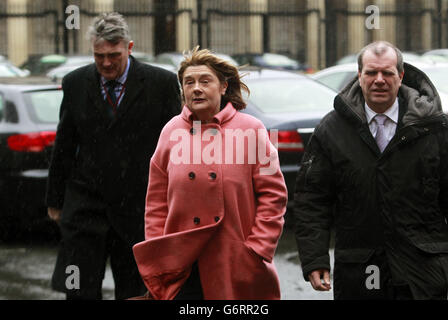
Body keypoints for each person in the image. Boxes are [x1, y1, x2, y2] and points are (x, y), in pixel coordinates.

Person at [293, 41, 448, 300]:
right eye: (371, 73)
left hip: (423, 269)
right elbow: (312, 200)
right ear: (359, 76)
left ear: (400, 76)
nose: (379, 80)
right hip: (359, 270)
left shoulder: (433, 127)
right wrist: (315, 258)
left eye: (387, 73)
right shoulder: (331, 130)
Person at [132, 47, 288, 300]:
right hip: (181, 262)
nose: (196, 88)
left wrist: (257, 248)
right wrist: (159, 251)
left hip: (233, 258)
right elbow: (156, 200)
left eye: (205, 81)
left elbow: (274, 195)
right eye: (189, 82)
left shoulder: (253, 129)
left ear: (224, 87)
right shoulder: (171, 130)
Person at [46, 12, 181, 299]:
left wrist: (175, 203)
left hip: (137, 208)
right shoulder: (75, 83)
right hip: (85, 207)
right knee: (79, 288)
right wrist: (55, 201)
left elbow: (177, 149)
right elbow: (64, 145)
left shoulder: (161, 83)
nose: (106, 63)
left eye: (114, 55)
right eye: (99, 56)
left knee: (135, 292)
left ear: (129, 48)